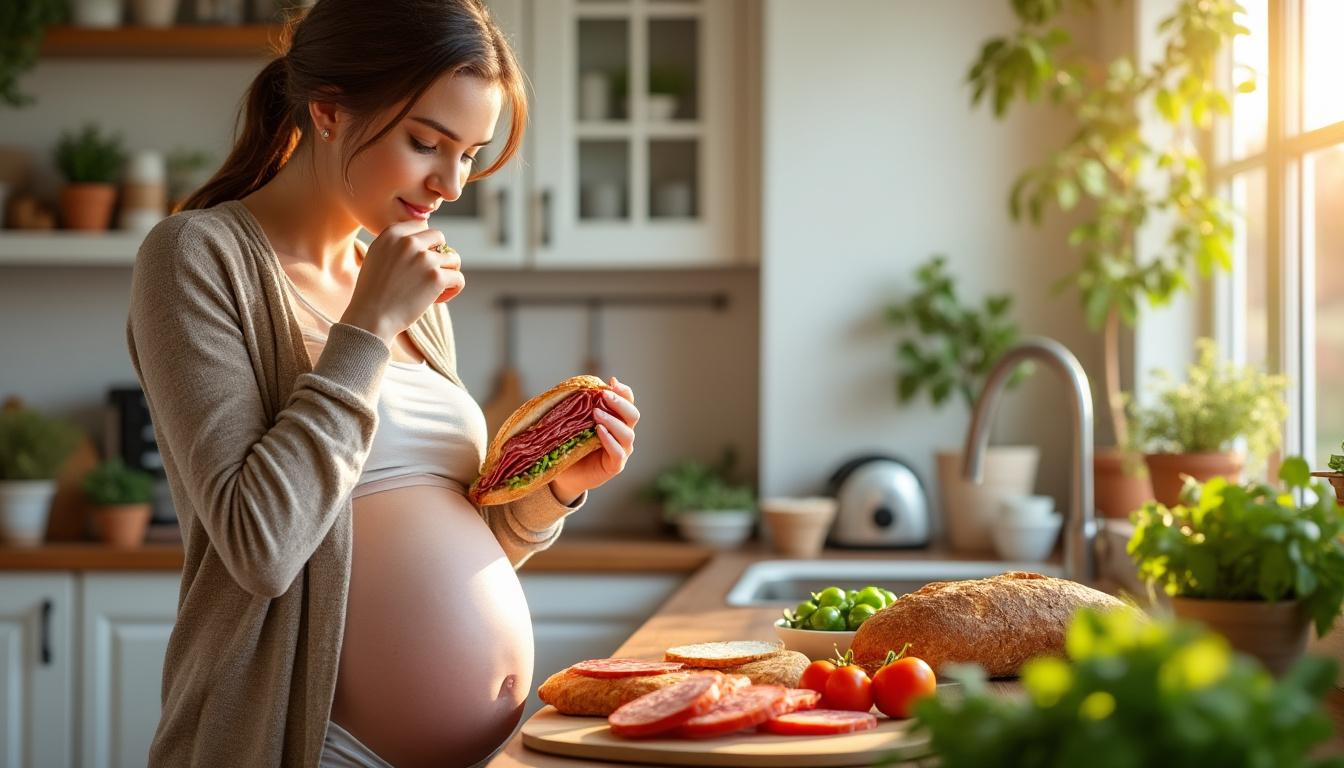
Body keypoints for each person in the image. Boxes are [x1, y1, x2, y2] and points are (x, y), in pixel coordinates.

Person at [125, 1, 640, 766]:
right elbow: (261, 546)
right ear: (329, 111)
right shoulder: (198, 257)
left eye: (469, 154)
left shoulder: (406, 282)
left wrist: (555, 490)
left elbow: (453, 541)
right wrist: (367, 325)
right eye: (426, 143)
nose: (452, 183)